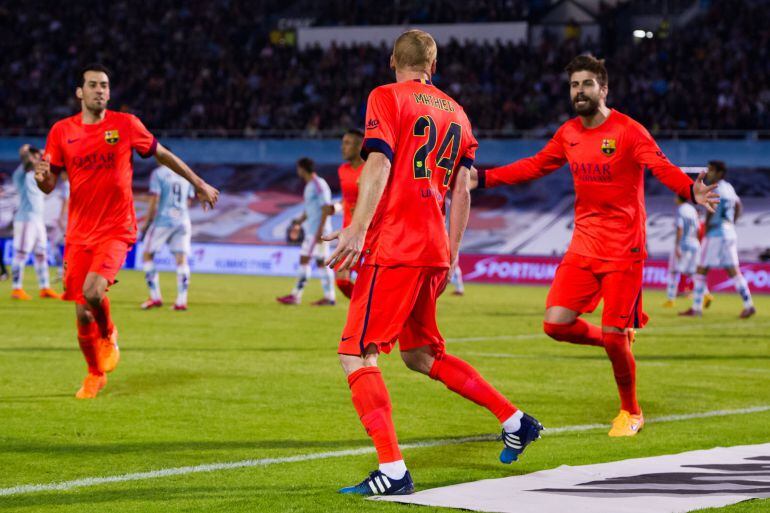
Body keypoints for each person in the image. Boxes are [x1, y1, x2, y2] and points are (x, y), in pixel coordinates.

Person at [326, 30, 542, 497]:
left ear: (392, 61)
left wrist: (358, 227)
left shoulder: (386, 97)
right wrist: (451, 254)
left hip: (395, 245)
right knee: (420, 354)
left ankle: (393, 471)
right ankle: (515, 419)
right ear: (433, 65)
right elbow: (462, 191)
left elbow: (379, 165)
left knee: (354, 352)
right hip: (433, 249)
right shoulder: (459, 114)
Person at [472, 55, 718, 437]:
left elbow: (661, 167)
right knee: (555, 324)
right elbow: (535, 165)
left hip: (624, 249)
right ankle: (616, 335)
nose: (580, 91)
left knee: (615, 339)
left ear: (603, 89)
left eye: (587, 84)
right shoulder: (568, 132)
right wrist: (483, 179)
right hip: (584, 245)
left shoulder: (629, 131)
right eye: (574, 85)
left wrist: (689, 189)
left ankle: (631, 411)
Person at [35, 63, 219, 399]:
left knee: (93, 293)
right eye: (92, 85)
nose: (100, 90)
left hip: (116, 228)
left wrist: (198, 182)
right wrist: (41, 177)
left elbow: (161, 154)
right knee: (81, 311)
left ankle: (110, 334)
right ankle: (94, 374)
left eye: (104, 85)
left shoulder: (125, 125)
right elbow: (49, 185)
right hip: (78, 233)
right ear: (80, 92)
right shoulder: (61, 131)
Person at [680, 161, 755, 318]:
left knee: (701, 270)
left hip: (715, 234)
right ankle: (749, 305)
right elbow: (739, 207)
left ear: (720, 173)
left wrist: (706, 230)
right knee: (734, 271)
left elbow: (710, 210)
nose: (709, 173)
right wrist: (731, 222)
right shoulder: (729, 188)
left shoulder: (715, 188)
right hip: (729, 232)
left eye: (712, 170)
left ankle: (696, 308)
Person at [276, 157, 336, 306]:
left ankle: (296, 295)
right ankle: (329, 297)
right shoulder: (310, 185)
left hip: (317, 231)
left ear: (302, 168)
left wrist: (320, 232)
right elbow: (310, 209)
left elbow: (326, 208)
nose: (298, 171)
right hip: (315, 229)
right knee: (321, 263)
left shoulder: (318, 184)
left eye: (298, 168)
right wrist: (299, 221)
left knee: (304, 259)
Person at [139, 160, 195, 311]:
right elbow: (189, 200)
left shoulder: (158, 173)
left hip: (163, 220)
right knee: (181, 260)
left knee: (147, 255)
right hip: (183, 220)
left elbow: (155, 199)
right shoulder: (185, 173)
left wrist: (147, 221)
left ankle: (155, 297)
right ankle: (181, 301)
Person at [11, 144, 61, 300]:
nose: (38, 159)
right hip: (25, 219)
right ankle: (16, 289)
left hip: (38, 220)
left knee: (41, 254)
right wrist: (28, 151)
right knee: (21, 254)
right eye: (35, 157)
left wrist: (41, 154)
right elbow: (26, 156)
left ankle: (44, 287)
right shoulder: (22, 173)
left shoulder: (36, 174)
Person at [663, 194, 711, 308]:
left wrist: (677, 246)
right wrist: (696, 242)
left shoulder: (680, 210)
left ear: (679, 198)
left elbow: (680, 228)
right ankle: (706, 294)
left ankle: (670, 299)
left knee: (673, 271)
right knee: (694, 272)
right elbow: (699, 229)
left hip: (684, 244)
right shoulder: (692, 210)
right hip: (695, 243)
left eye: (675, 197)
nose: (674, 199)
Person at [335, 129, 365, 299]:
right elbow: (347, 199)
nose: (342, 147)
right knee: (341, 280)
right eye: (343, 143)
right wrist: (337, 207)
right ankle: (366, 305)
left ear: (360, 145)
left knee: (371, 280)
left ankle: (368, 311)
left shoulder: (371, 169)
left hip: (370, 233)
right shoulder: (342, 170)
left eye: (347, 143)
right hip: (349, 232)